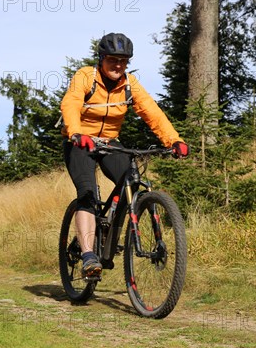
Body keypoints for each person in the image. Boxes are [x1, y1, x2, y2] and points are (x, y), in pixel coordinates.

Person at [60, 32, 189, 278]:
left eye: (123, 61)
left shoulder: (129, 84)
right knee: (87, 192)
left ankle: (108, 228)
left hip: (109, 142)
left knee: (132, 179)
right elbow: (71, 103)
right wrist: (76, 132)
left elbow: (152, 112)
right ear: (101, 59)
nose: (118, 65)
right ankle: (88, 255)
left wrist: (174, 140)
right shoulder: (86, 76)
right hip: (79, 142)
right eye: (112, 60)